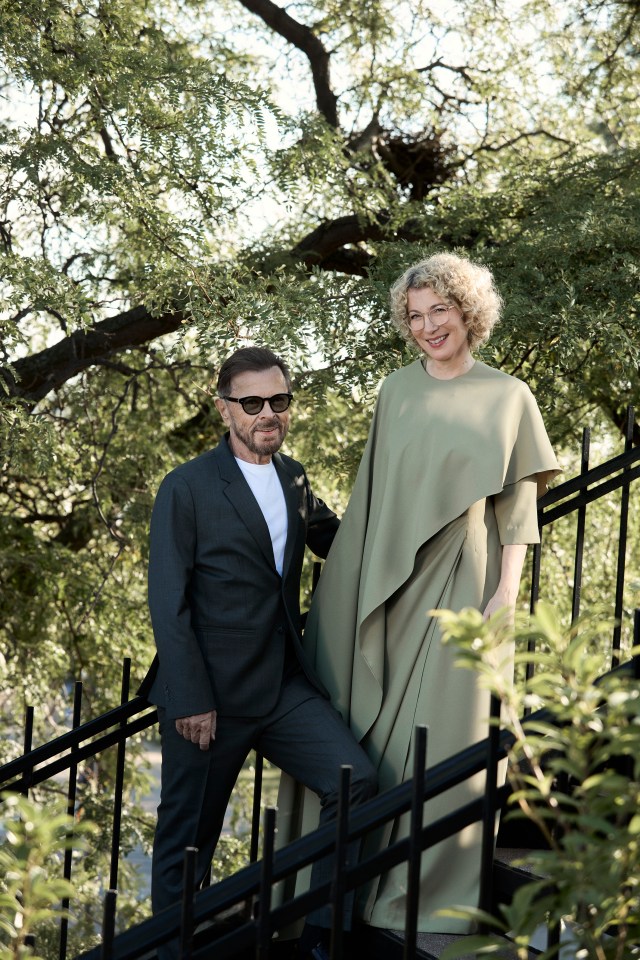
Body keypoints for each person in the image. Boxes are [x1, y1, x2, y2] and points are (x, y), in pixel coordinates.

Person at [281, 253, 560, 935]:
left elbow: (517, 511)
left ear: (468, 311)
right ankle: (334, 896)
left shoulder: (509, 396)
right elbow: (376, 497)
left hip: (463, 578)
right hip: (386, 580)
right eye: (415, 315)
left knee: (445, 735)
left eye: (440, 310)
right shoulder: (395, 391)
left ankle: (419, 897)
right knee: (367, 738)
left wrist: (505, 595)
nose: (428, 325)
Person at [140, 346, 377, 960]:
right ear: (225, 409)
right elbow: (170, 604)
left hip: (281, 688)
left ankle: (324, 937)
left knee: (357, 783)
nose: (267, 412)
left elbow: (345, 541)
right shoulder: (186, 487)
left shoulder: (294, 478)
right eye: (252, 402)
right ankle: (171, 953)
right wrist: (190, 697)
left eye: (278, 400)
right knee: (187, 844)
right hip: (208, 700)